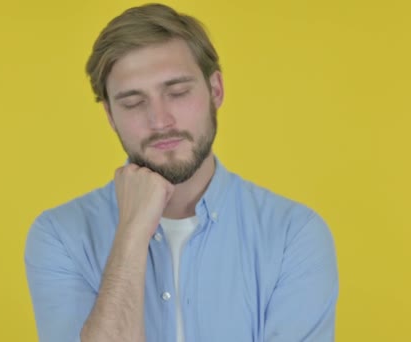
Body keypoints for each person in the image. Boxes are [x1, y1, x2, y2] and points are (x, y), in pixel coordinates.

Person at [24, 3, 338, 342]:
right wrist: (131, 233)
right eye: (133, 102)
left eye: (177, 92)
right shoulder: (61, 235)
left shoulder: (294, 235)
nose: (160, 120)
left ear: (215, 90)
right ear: (110, 116)